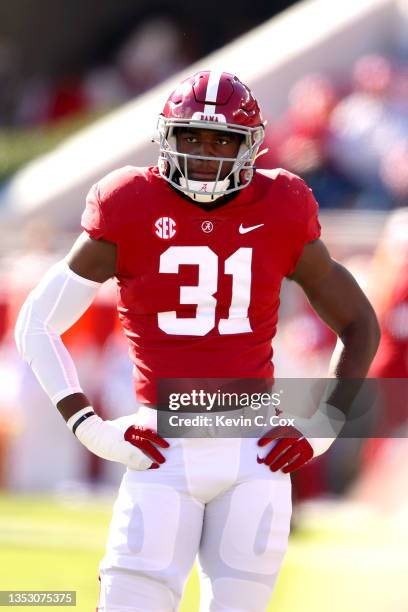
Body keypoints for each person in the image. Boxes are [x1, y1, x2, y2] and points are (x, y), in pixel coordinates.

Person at [15, 71, 380, 612]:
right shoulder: (128, 201)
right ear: (167, 138)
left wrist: (324, 428)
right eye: (191, 137)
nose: (205, 153)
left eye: (222, 140)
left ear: (248, 146)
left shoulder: (282, 202)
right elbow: (35, 324)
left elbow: (359, 325)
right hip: (161, 449)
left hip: (253, 455)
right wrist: (87, 426)